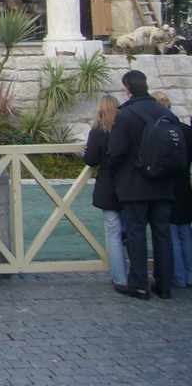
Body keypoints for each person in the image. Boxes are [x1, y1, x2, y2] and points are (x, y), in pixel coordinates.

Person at [106, 70, 176, 300]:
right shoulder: (166, 113)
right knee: (162, 233)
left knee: (136, 234)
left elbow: (115, 152)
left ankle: (139, 284)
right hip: (164, 182)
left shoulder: (125, 115)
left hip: (134, 184)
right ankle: (164, 284)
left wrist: (113, 174)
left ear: (126, 89)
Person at [83, 95, 128, 290]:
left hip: (109, 185)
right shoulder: (126, 129)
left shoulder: (98, 132)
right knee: (133, 231)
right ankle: (136, 276)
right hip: (130, 184)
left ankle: (120, 278)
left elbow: (91, 159)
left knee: (114, 232)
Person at [152, 93, 192, 289]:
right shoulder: (186, 130)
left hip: (166, 185)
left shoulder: (159, 131)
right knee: (185, 231)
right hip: (185, 183)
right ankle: (190, 274)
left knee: (171, 232)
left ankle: (177, 275)